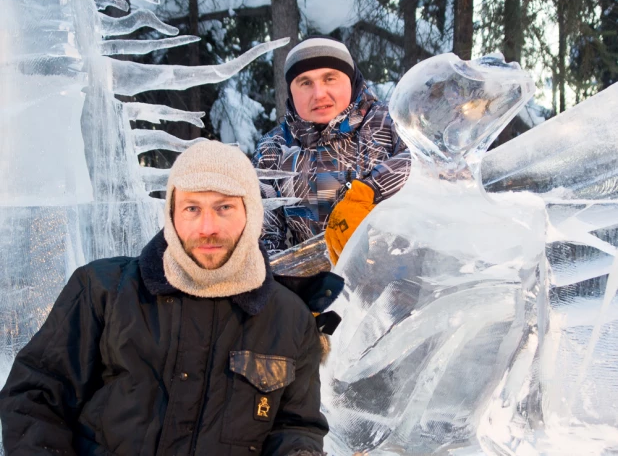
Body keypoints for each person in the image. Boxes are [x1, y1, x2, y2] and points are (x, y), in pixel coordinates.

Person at [0, 141, 343, 455]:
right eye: (192, 208)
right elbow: (36, 396)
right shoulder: (103, 291)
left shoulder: (289, 318)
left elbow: (295, 427)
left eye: (223, 207)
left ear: (250, 213)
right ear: (172, 215)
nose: (207, 226)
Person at [253, 36, 411, 264]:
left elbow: (437, 161)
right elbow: (263, 237)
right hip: (318, 291)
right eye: (305, 82)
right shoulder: (273, 151)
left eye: (330, 78)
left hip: (404, 283)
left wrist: (368, 192)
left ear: (351, 79)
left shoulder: (393, 121)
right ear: (290, 90)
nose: (318, 94)